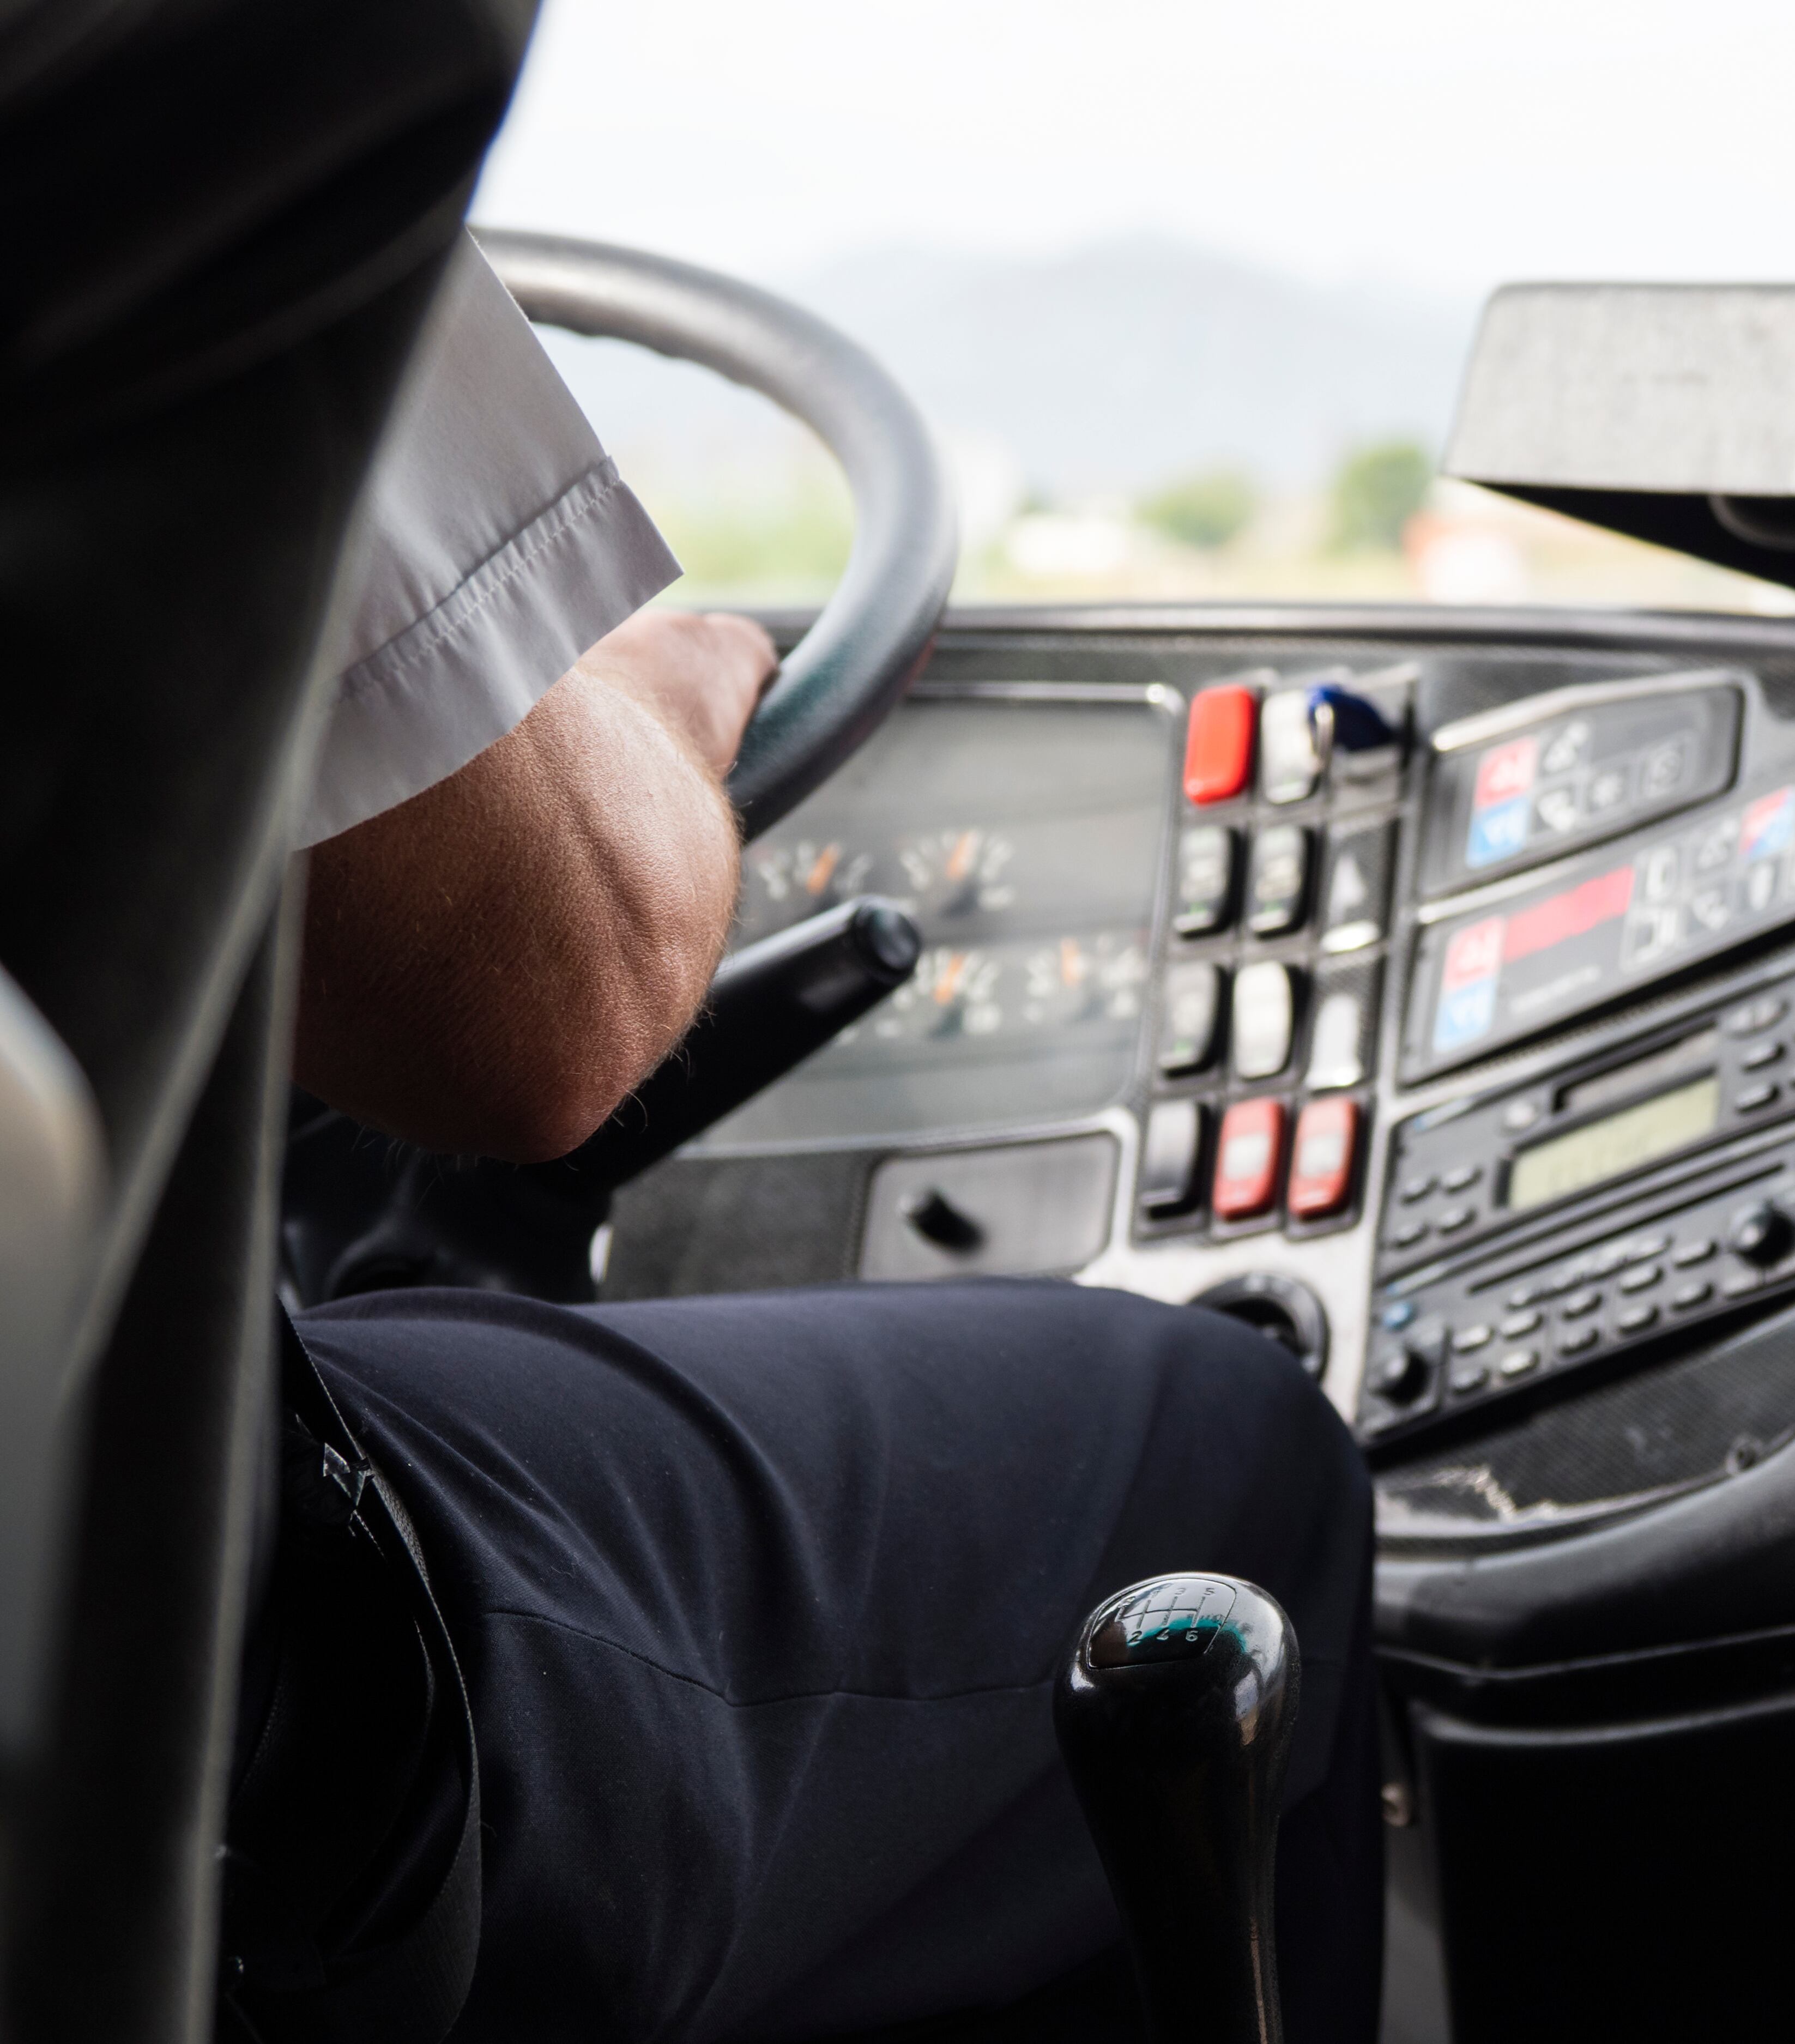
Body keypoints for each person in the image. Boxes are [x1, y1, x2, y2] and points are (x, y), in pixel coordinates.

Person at [220, 235, 1381, 2044]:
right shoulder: (155, 136)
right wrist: (640, 706)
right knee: (1229, 1457)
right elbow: (553, 989)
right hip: (196, 1682)